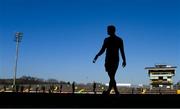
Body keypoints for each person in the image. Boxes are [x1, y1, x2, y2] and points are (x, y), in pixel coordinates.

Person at [93, 25, 126, 95]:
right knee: (111, 76)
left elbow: (122, 51)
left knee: (112, 75)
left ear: (111, 30)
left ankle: (114, 92)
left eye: (108, 30)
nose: (107, 31)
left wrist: (124, 60)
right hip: (109, 60)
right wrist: (97, 55)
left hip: (114, 60)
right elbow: (103, 50)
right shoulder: (108, 40)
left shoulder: (118, 40)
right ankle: (112, 91)